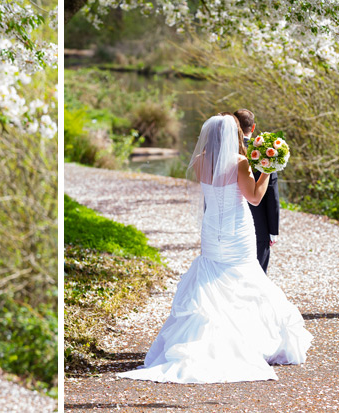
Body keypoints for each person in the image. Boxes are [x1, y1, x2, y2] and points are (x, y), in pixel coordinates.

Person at [116, 114, 311, 383]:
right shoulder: (240, 163)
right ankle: (248, 341)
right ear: (232, 135)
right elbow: (254, 198)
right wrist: (266, 169)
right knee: (245, 279)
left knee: (211, 279)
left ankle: (207, 339)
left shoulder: (199, 161)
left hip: (211, 231)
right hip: (237, 230)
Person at [234, 108, 279, 272]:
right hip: (258, 224)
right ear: (253, 128)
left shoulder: (223, 152)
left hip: (230, 223)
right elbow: (271, 193)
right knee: (258, 273)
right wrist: (273, 230)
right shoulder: (265, 152)